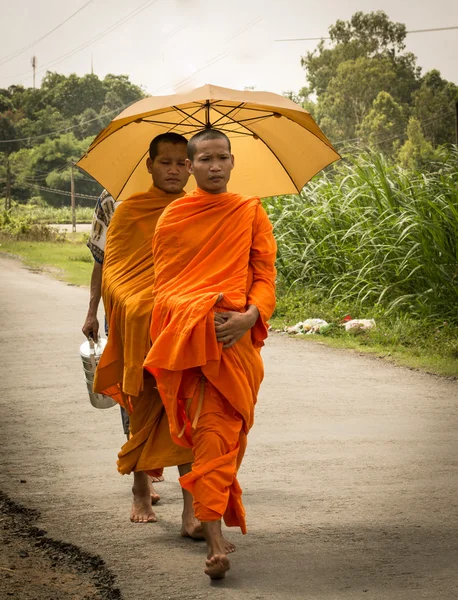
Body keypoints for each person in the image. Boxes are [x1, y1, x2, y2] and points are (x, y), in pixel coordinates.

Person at [144, 129, 277, 579]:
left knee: (230, 438)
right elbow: (166, 291)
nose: (214, 166)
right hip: (196, 343)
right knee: (210, 436)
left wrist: (249, 317)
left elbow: (264, 275)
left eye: (222, 158)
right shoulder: (174, 217)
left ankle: (209, 517)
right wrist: (199, 314)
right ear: (191, 165)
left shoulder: (250, 211)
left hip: (236, 341)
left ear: (233, 162)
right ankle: (215, 542)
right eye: (204, 159)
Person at [91, 133, 200, 534]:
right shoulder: (130, 209)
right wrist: (138, 304)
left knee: (185, 410)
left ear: (191, 166)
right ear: (149, 166)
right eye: (164, 162)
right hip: (139, 324)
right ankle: (140, 488)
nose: (173, 170)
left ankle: (192, 510)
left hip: (183, 325)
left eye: (180, 162)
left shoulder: (198, 208)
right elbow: (113, 273)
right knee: (140, 408)